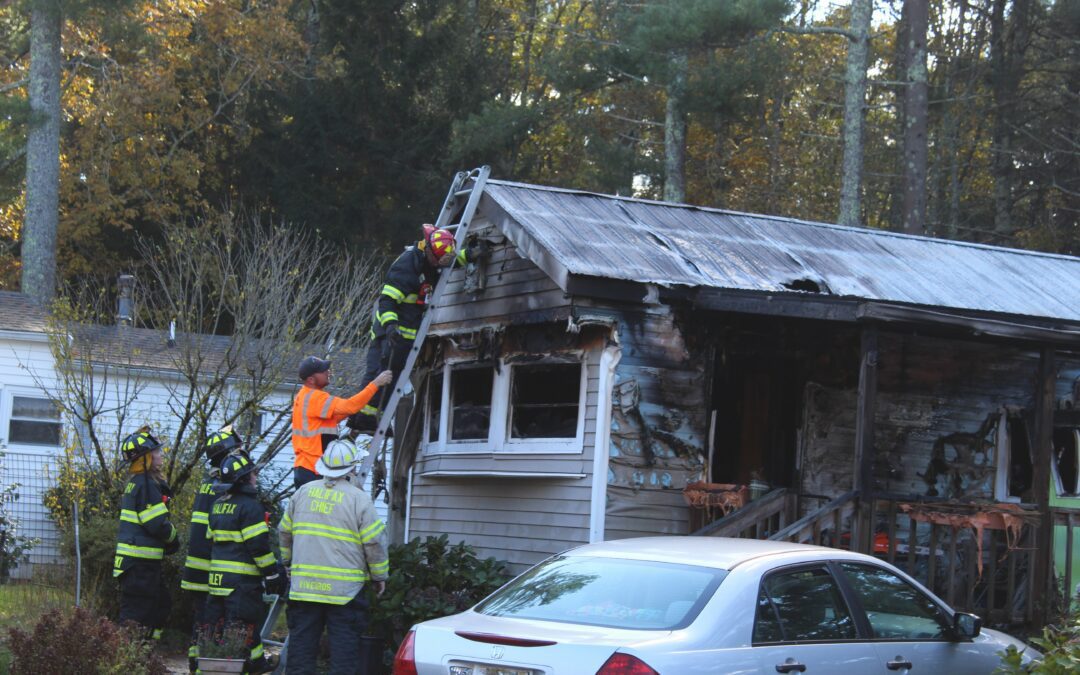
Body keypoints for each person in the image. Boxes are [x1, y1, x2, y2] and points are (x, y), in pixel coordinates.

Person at [348, 224, 480, 435]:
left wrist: (469, 255)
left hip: (407, 334)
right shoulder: (407, 266)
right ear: (428, 250)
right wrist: (391, 327)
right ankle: (363, 418)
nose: (441, 264)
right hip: (390, 333)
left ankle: (373, 417)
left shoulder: (432, 260)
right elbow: (387, 301)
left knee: (392, 380)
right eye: (438, 259)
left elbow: (450, 261)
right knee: (380, 375)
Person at [279, 438, 389, 675]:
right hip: (345, 594)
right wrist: (379, 576)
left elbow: (284, 532)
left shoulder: (302, 493)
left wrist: (287, 563)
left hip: (304, 589)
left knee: (300, 654)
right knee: (344, 655)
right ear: (352, 467)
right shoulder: (359, 499)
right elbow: (374, 542)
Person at [205, 453, 285, 674]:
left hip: (217, 582)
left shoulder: (217, 505)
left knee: (219, 631)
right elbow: (258, 547)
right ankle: (248, 668)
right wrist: (272, 573)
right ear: (243, 479)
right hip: (241, 585)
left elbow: (210, 537)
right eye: (252, 473)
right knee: (242, 630)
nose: (255, 477)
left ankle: (253, 665)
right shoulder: (250, 507)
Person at [181, 427, 244, 673]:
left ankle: (195, 664)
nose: (242, 454)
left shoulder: (209, 483)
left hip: (198, 567)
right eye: (238, 450)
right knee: (211, 623)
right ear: (227, 453)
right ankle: (203, 667)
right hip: (212, 568)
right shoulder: (223, 487)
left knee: (202, 621)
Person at [113, 426, 179, 642]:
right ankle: (126, 658)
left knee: (160, 606)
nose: (161, 455)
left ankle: (146, 652)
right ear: (145, 458)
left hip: (139, 564)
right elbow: (157, 523)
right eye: (157, 452)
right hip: (139, 564)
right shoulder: (145, 484)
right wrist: (173, 539)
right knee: (135, 616)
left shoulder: (136, 483)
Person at [291, 355, 392, 488]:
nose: (328, 372)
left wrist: (356, 407)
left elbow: (337, 416)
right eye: (323, 371)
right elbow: (350, 406)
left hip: (307, 468)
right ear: (311, 379)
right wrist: (375, 384)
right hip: (313, 469)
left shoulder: (305, 395)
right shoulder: (316, 397)